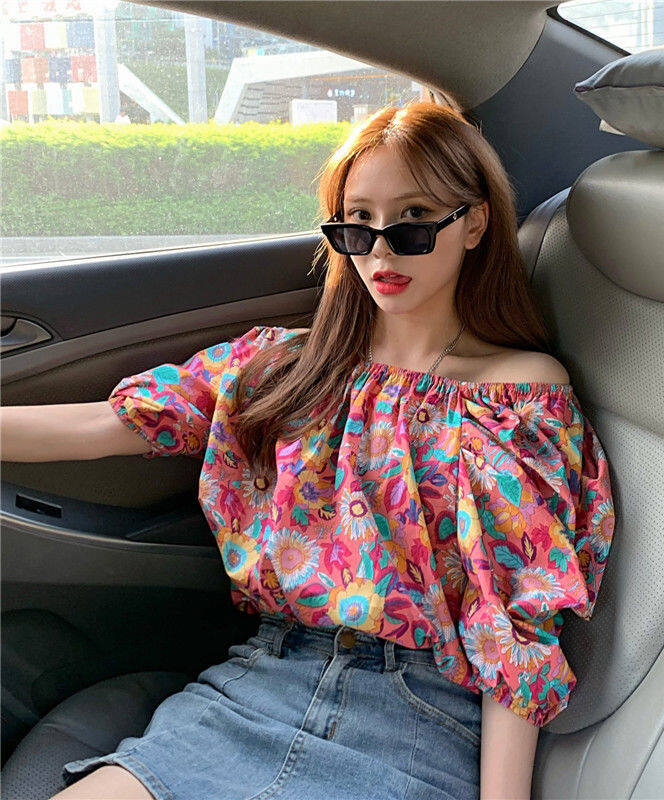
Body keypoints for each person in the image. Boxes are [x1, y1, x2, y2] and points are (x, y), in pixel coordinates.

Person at [2, 100, 615, 800]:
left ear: (473, 222)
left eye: (413, 220)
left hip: (419, 715)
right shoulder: (286, 367)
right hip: (259, 682)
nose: (380, 251)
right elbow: (104, 425)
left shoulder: (517, 398)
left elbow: (515, 625)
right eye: (357, 224)